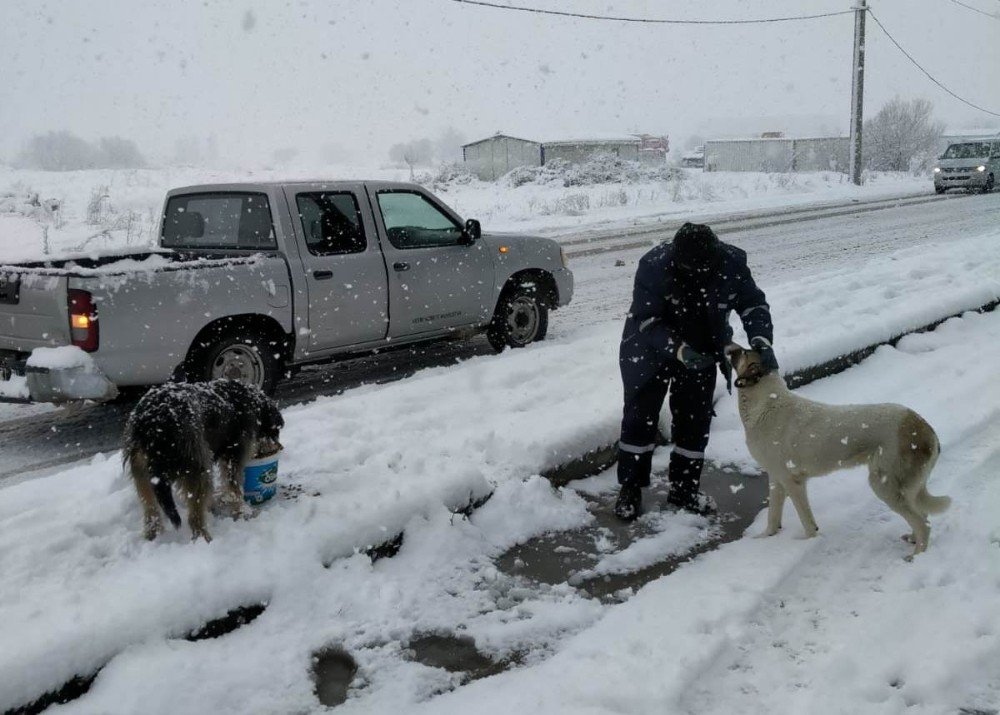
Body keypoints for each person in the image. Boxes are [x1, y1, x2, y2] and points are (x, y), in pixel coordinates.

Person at [614, 222, 777, 521]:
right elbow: (647, 320)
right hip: (649, 348)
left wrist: (761, 340)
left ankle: (684, 489)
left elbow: (753, 304)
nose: (698, 274)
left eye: (704, 269)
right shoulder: (654, 266)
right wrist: (678, 350)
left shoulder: (731, 264)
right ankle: (630, 488)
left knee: (694, 418)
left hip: (702, 346)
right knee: (640, 416)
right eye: (690, 269)